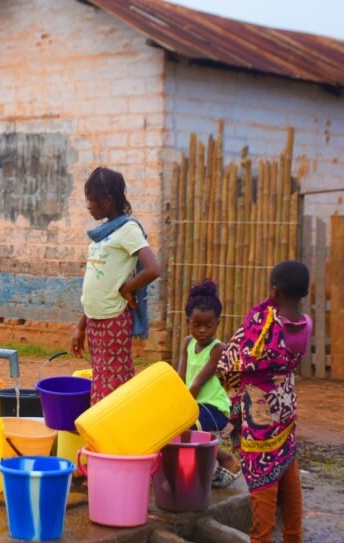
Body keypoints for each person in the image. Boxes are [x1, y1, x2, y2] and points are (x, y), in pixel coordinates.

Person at [217, 261, 313, 543]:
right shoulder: (305, 325)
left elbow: (235, 359)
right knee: (286, 466)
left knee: (262, 478)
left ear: (274, 290)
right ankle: (293, 535)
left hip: (261, 413)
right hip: (285, 407)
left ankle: (262, 538)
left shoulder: (266, 325)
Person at [71, 167, 160, 403]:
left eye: (92, 200)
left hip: (113, 319)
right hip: (96, 318)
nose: (89, 205)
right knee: (105, 377)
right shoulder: (103, 233)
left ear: (108, 200)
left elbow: (153, 269)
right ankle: (112, 431)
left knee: (112, 384)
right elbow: (100, 283)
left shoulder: (128, 229)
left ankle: (110, 433)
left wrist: (126, 288)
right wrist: (81, 326)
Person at [176, 280, 241, 488]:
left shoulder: (218, 349)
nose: (202, 330)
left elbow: (196, 384)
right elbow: (180, 377)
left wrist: (178, 411)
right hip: (194, 404)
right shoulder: (188, 343)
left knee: (182, 428)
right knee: (176, 428)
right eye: (197, 325)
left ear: (218, 324)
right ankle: (207, 465)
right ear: (188, 322)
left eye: (208, 325)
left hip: (214, 408)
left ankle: (225, 460)